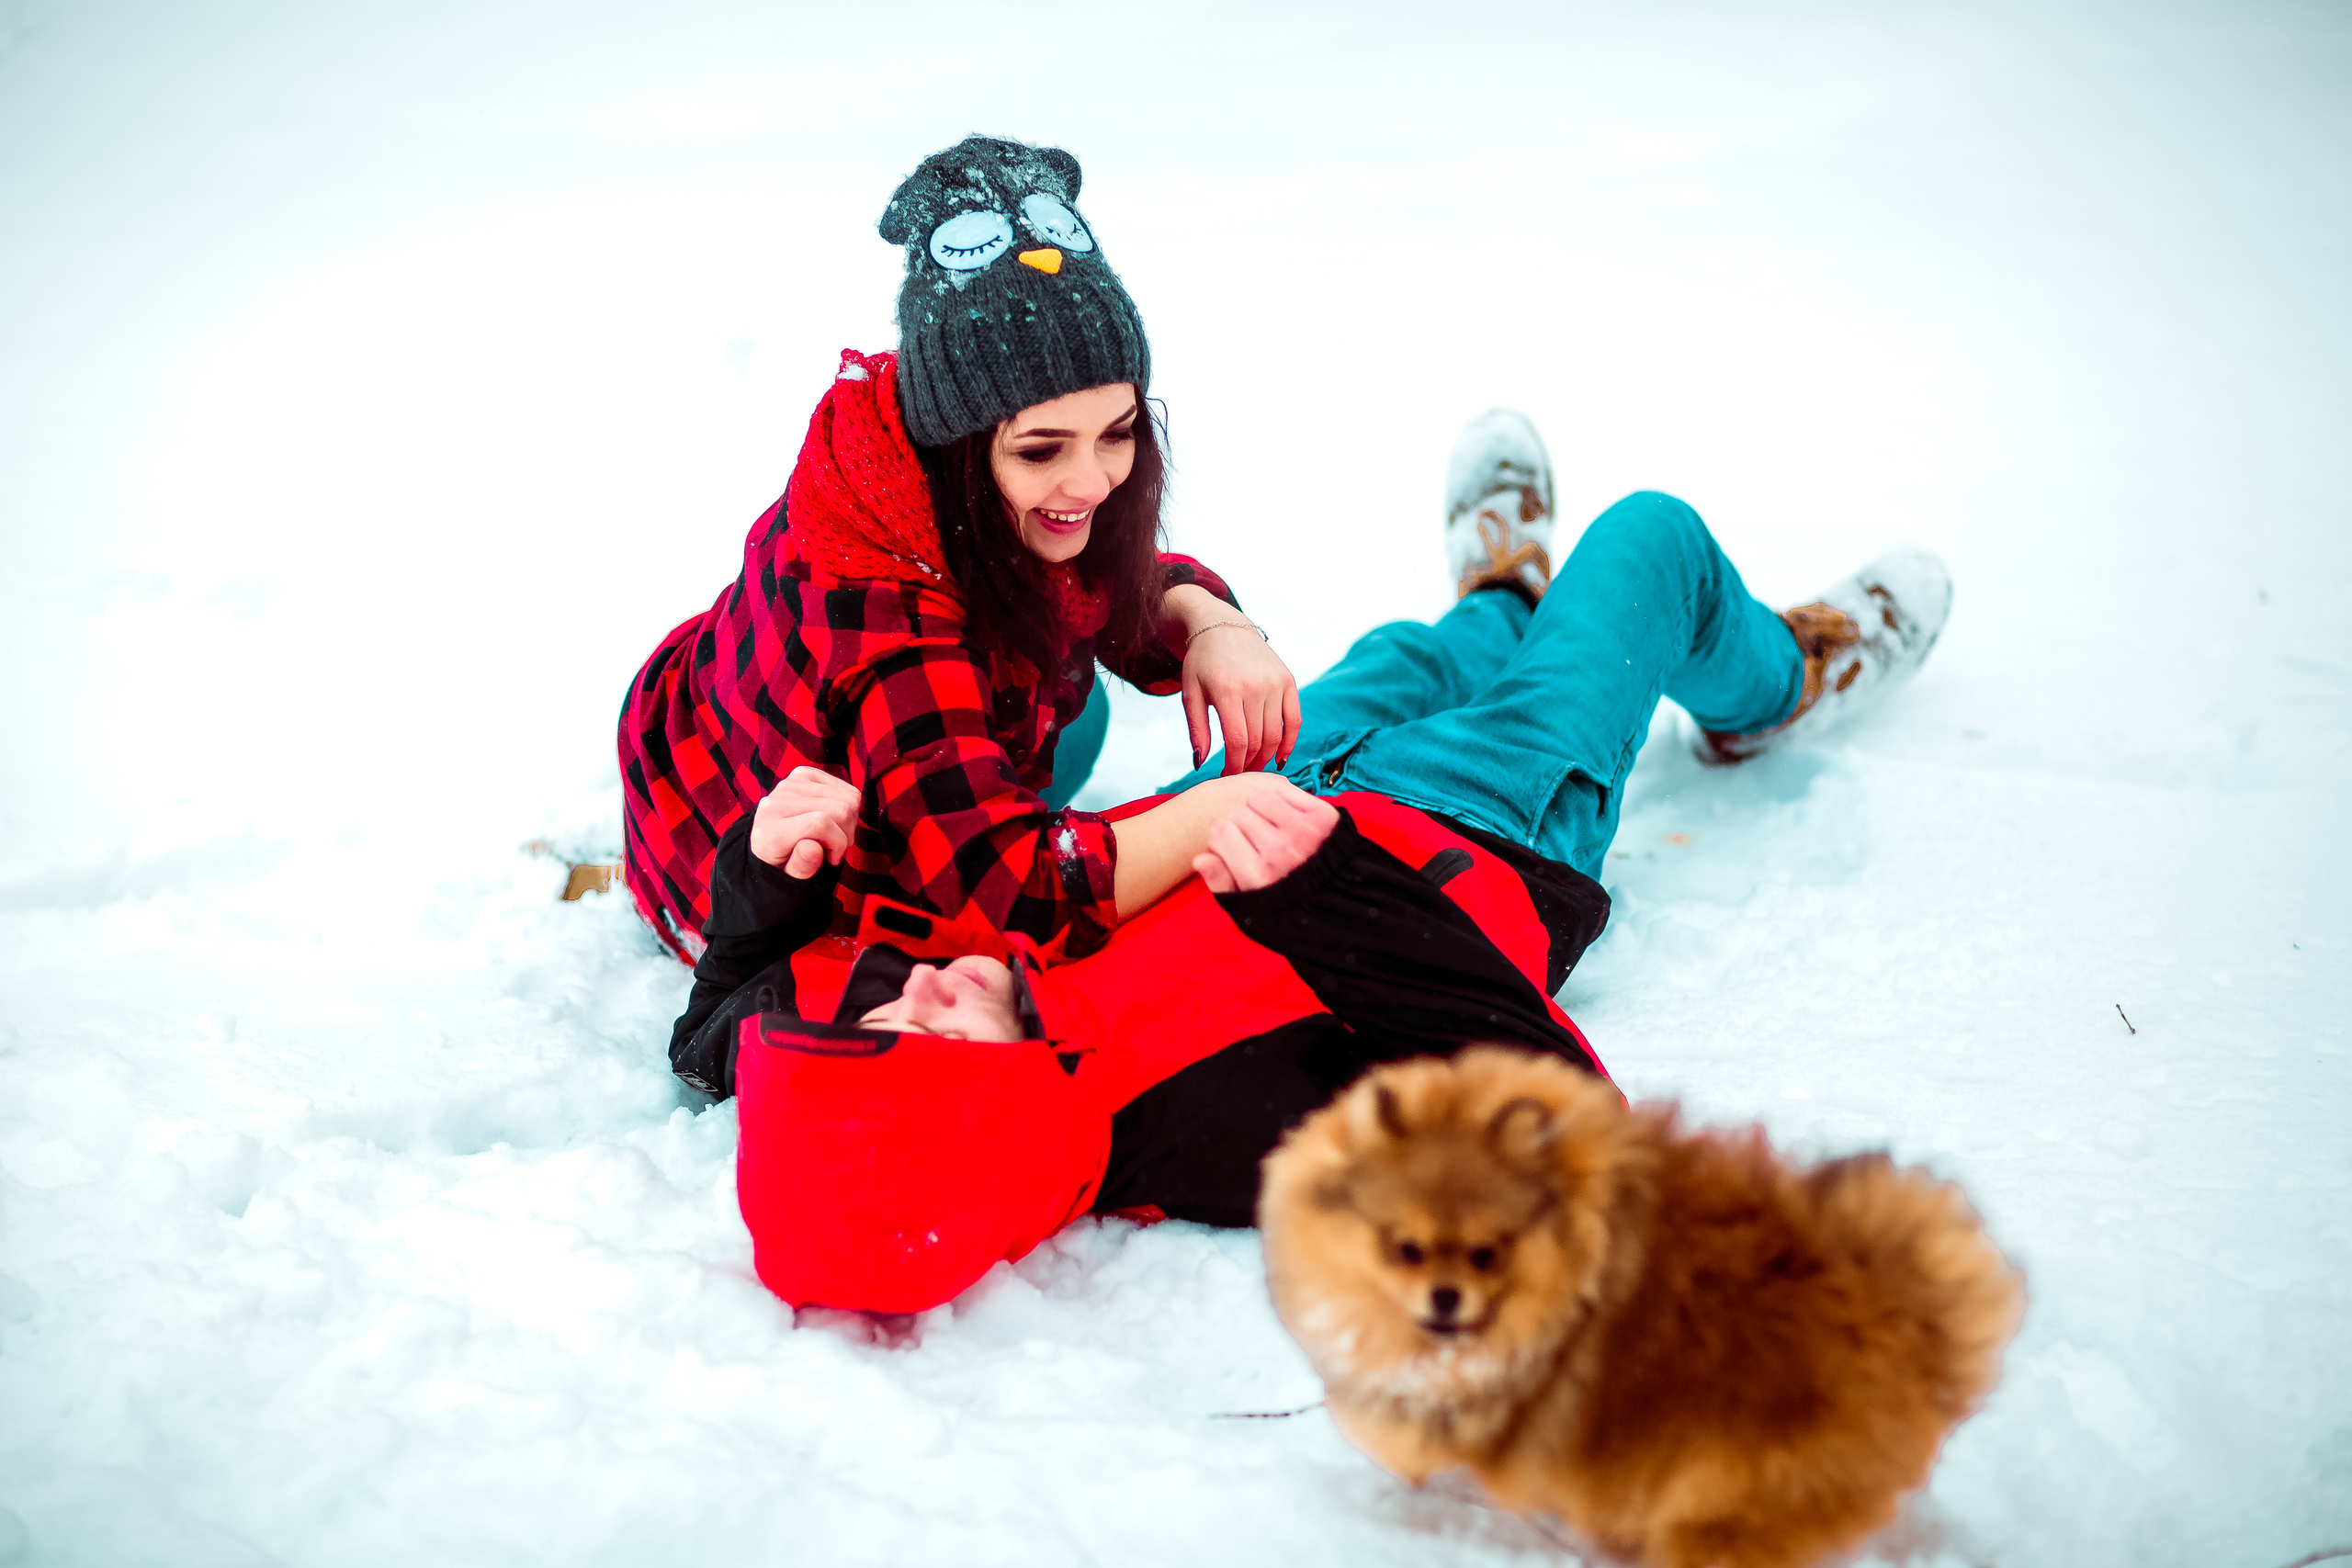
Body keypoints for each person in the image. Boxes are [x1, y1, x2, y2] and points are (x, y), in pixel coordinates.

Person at [677, 407, 1954, 1314]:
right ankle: (1775, 684)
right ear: (993, 1128)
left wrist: (767, 881)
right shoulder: (1216, 1132)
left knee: (1405, 654)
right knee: (1651, 543)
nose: (915, 988)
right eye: (929, 1032)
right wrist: (1325, 895)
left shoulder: (915, 1019)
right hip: (1480, 821)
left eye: (886, 1012)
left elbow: (716, 1031)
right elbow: (1559, 1124)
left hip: (1255, 784)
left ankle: (1501, 602)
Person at [617, 135, 1302, 967]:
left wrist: (1210, 619)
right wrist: (1219, 813)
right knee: (1028, 804)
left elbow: (1097, 589)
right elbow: (1010, 898)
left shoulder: (926, 463)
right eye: (1042, 449)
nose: (1092, 482)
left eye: (1117, 433)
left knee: (1072, 706)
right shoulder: (885, 609)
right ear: (961, 443)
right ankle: (646, 893)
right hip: (721, 843)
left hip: (738, 721)